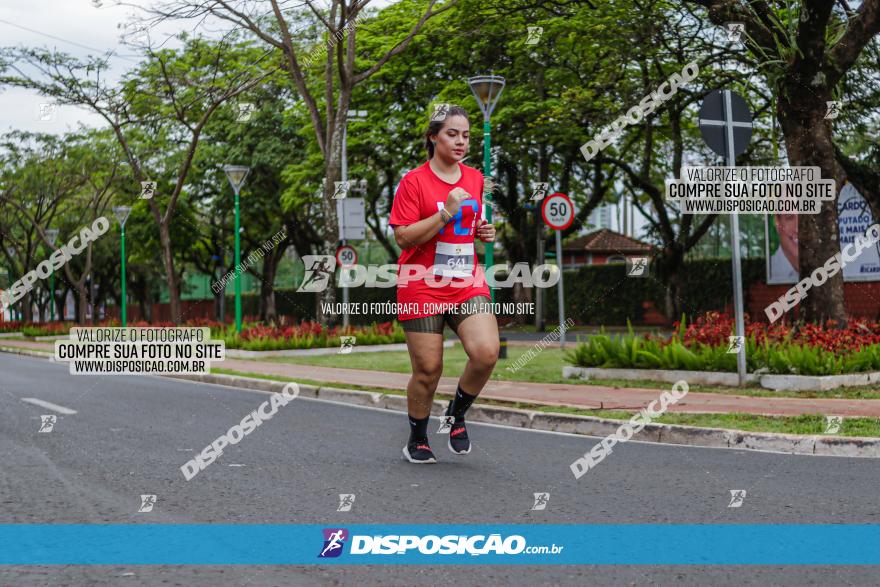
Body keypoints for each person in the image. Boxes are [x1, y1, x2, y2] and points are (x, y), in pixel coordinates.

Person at [389, 105, 499, 464]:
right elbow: (404, 238)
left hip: (465, 280)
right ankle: (418, 438)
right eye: (452, 133)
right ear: (433, 137)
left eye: (466, 135)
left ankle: (456, 414)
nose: (461, 141)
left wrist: (485, 232)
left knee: (486, 352)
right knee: (428, 369)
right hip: (420, 284)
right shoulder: (413, 182)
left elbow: (473, 227)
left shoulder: (476, 179)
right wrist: (445, 212)